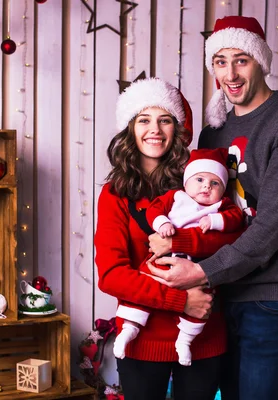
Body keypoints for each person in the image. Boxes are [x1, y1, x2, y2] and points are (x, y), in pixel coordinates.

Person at [147, 16, 278, 400]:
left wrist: (200, 272)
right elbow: (194, 206)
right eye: (220, 61)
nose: (230, 73)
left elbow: (274, 227)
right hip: (223, 294)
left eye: (241, 60)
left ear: (262, 61)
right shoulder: (215, 131)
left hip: (272, 298)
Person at [94, 77, 242, 400]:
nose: (155, 130)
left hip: (202, 334)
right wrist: (180, 300)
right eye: (144, 120)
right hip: (142, 340)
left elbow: (233, 240)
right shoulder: (115, 194)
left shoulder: (202, 181)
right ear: (130, 128)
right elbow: (111, 274)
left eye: (165, 120)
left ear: (177, 128)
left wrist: (183, 244)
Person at [113, 147, 244, 366]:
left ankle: (185, 340)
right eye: (200, 179)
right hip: (164, 261)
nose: (206, 187)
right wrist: (162, 223)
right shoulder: (176, 197)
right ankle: (129, 329)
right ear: (186, 182)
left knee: (203, 298)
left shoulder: (220, 206)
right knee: (147, 277)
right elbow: (154, 210)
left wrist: (215, 222)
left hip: (198, 266)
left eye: (215, 183)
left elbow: (236, 220)